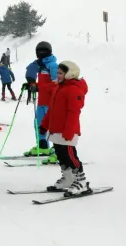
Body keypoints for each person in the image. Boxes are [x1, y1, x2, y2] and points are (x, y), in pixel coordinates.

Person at [39, 61, 90, 196]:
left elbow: (74, 113)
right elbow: (52, 110)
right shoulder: (59, 87)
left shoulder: (74, 90)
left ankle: (82, 181)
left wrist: (69, 131)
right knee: (61, 155)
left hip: (68, 131)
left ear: (70, 74)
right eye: (58, 73)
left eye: (61, 73)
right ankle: (68, 178)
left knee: (71, 157)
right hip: (56, 130)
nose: (58, 75)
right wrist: (44, 125)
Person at [24, 41, 59, 164]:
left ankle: (59, 150)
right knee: (39, 124)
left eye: (42, 51)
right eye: (39, 51)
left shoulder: (53, 65)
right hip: (41, 102)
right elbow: (43, 83)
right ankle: (43, 146)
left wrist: (39, 87)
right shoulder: (41, 65)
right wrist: (32, 84)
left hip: (51, 102)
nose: (40, 53)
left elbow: (56, 84)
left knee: (53, 127)